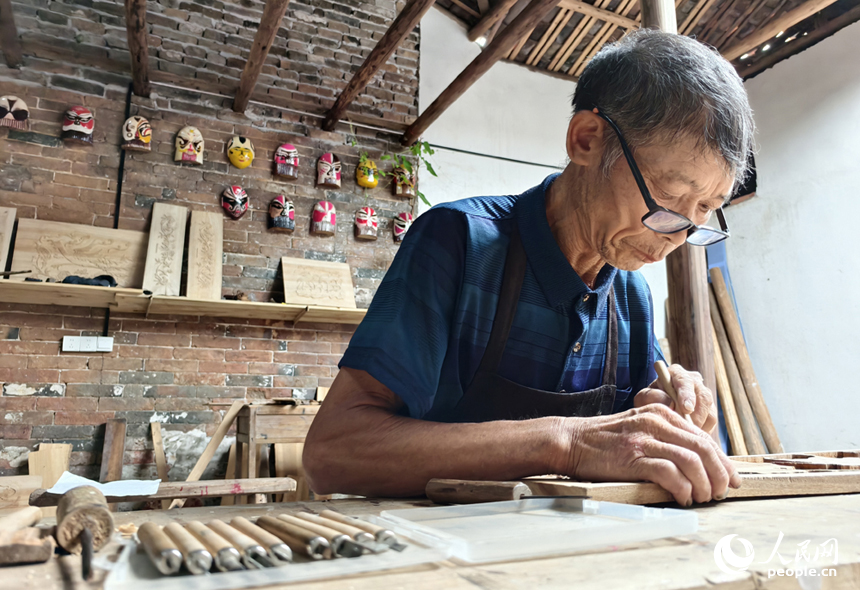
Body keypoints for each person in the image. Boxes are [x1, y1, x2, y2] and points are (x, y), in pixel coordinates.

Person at [304, 30, 754, 506]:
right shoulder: (459, 243)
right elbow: (332, 453)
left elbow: (632, 435)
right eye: (668, 194)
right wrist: (566, 442)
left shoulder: (630, 295)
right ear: (587, 140)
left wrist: (666, 413)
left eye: (704, 209)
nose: (677, 235)